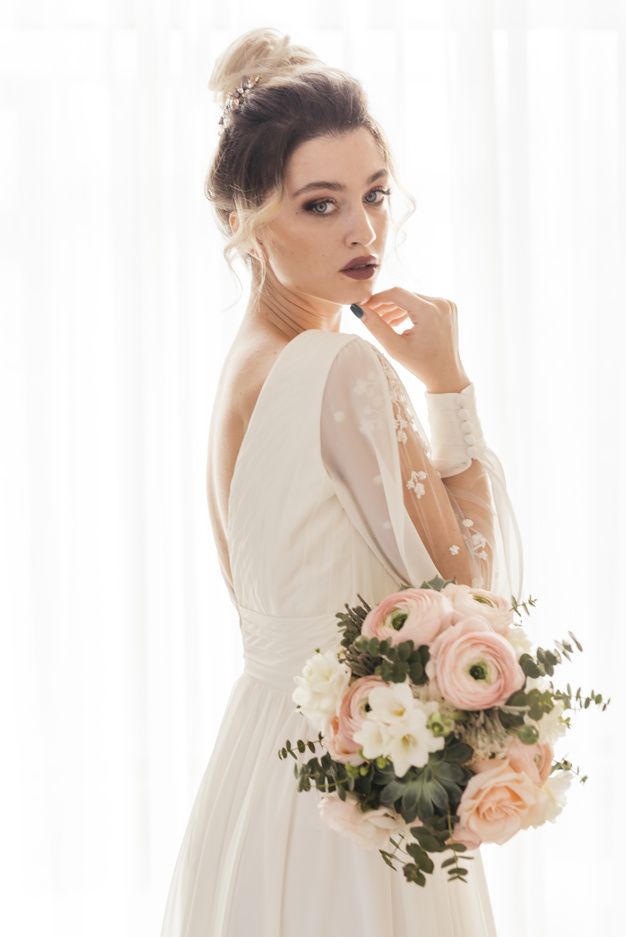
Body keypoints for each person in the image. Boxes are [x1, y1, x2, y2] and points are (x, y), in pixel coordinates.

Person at [159, 26, 523, 936]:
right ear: (244, 220)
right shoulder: (334, 366)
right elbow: (476, 590)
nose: (363, 230)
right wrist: (446, 383)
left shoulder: (248, 364)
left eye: (374, 195)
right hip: (344, 802)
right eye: (320, 205)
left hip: (256, 781)